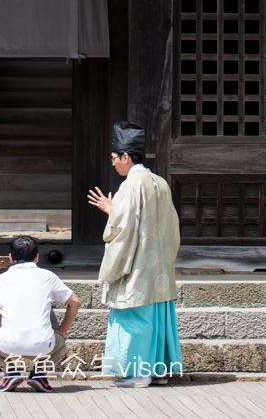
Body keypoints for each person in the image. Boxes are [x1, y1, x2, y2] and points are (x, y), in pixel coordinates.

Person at [87, 121, 183, 388]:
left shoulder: (131, 185)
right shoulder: (160, 182)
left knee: (135, 316)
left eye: (115, 158)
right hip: (159, 265)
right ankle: (159, 371)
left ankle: (139, 373)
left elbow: (124, 226)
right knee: (157, 316)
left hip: (138, 266)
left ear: (126, 156)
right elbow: (172, 226)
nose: (114, 164)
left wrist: (110, 210)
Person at [0, 236, 81, 393]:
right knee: (60, 343)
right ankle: (39, 374)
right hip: (43, 346)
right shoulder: (48, 277)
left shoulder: (1, 280)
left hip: (7, 345)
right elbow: (75, 302)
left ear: (10, 258)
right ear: (37, 257)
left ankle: (10, 372)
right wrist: (62, 331)